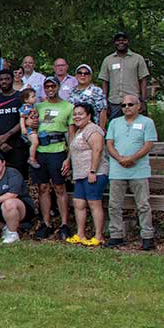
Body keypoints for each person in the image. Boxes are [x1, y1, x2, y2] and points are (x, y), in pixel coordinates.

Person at [105, 94, 157, 250]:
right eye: (123, 105)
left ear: (138, 106)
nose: (126, 107)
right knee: (114, 205)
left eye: (130, 104)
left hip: (139, 170)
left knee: (143, 205)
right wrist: (120, 158)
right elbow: (109, 144)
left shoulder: (147, 122)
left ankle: (147, 236)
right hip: (117, 170)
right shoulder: (114, 122)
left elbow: (148, 144)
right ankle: (116, 235)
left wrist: (132, 158)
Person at [32, 77, 73, 240]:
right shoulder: (39, 106)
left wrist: (69, 158)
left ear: (58, 87)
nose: (50, 88)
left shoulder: (68, 107)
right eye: (47, 86)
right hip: (41, 149)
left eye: (52, 86)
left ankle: (64, 224)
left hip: (58, 149)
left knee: (59, 187)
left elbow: (71, 135)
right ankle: (46, 223)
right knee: (43, 187)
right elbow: (30, 125)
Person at [66, 103, 108, 247]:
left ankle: (98, 236)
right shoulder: (79, 131)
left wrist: (92, 171)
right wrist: (67, 161)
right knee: (78, 203)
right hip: (79, 174)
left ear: (89, 116)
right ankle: (80, 234)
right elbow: (74, 150)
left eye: (80, 114)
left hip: (94, 173)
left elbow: (97, 150)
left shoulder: (93, 130)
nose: (77, 116)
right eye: (75, 114)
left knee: (94, 203)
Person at [0, 151, 36, 244]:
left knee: (9, 203)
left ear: (3, 162)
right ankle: (5, 227)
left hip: (21, 206)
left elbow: (12, 195)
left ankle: (13, 234)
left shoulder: (13, 173)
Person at [98, 31, 149, 120]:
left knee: (135, 127)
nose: (121, 42)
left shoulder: (138, 58)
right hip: (114, 102)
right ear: (114, 43)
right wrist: (105, 102)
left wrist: (143, 101)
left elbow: (143, 81)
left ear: (128, 41)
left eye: (124, 40)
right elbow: (105, 82)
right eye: (118, 40)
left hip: (133, 101)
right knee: (115, 128)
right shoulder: (108, 60)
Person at [0, 69, 25, 174]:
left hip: (16, 144)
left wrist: (7, 135)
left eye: (7, 79)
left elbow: (24, 119)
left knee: (17, 175)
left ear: (12, 80)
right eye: (1, 79)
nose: (4, 82)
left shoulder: (20, 97)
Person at [70, 63, 107, 128]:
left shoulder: (97, 91)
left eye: (86, 73)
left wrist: (101, 129)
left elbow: (103, 111)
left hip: (92, 128)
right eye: (80, 73)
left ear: (90, 76)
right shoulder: (72, 91)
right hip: (76, 129)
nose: (83, 75)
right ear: (76, 75)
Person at [18, 87, 41, 168]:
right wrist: (23, 128)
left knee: (36, 142)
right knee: (35, 142)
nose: (35, 98)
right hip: (29, 129)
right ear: (26, 99)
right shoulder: (25, 107)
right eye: (33, 96)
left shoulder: (33, 107)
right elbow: (22, 118)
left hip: (34, 129)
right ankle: (31, 158)